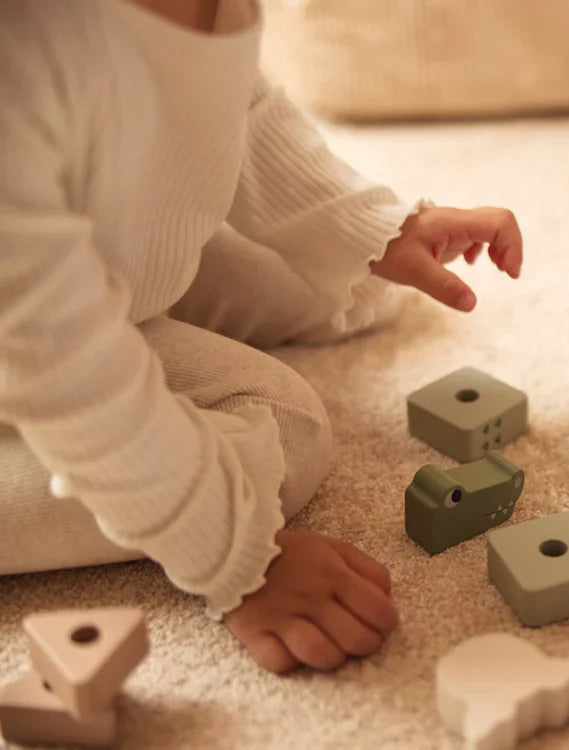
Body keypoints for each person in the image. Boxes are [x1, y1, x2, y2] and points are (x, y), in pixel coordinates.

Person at [0, 0, 524, 674]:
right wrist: (236, 555)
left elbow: (232, 107)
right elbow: (65, 368)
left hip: (74, 246)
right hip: (32, 331)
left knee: (353, 285)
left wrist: (377, 228)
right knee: (285, 429)